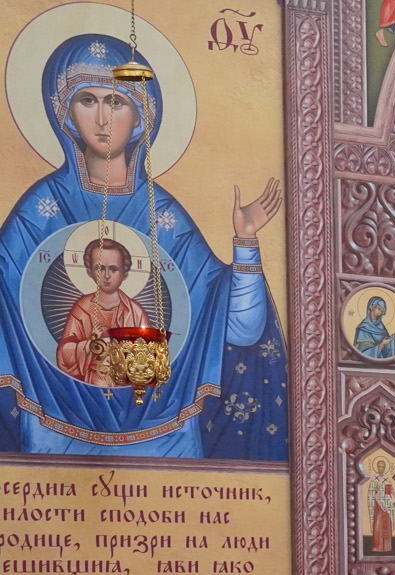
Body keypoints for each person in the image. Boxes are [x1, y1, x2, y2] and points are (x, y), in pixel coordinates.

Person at [0, 33, 287, 457]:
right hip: (54, 421)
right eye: (88, 100)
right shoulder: (40, 209)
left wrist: (246, 241)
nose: (102, 118)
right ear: (64, 113)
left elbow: (242, 330)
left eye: (117, 102)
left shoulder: (164, 215)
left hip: (163, 428)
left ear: (140, 115)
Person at [55, 237, 148, 385]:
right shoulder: (82, 308)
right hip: (93, 381)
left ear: (124, 274)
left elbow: (147, 353)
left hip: (126, 383)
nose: (106, 275)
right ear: (89, 272)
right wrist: (91, 343)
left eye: (113, 269)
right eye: (100, 269)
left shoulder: (135, 312)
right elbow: (64, 354)